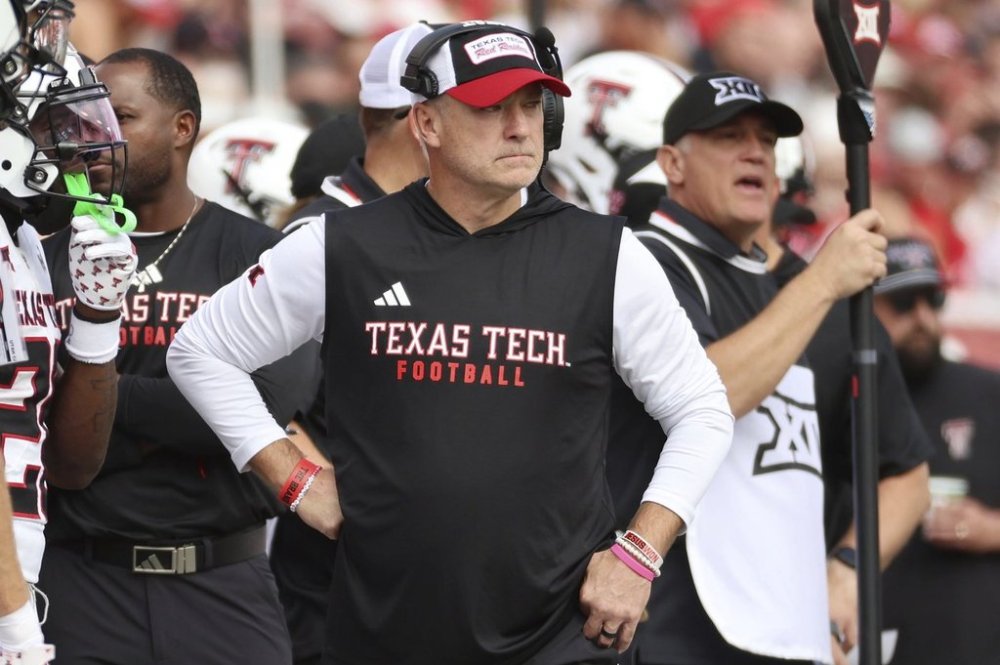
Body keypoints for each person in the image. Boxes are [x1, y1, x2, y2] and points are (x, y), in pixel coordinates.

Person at [168, 20, 735, 665]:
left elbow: (702, 410)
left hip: (562, 635)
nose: (520, 127)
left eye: (531, 105)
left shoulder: (607, 254)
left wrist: (640, 553)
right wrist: (292, 476)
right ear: (427, 124)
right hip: (383, 627)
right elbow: (199, 351)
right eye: (490, 108)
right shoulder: (341, 244)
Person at [37, 48, 315, 665]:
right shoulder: (45, 256)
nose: (96, 138)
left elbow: (262, 409)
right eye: (85, 121)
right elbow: (37, 427)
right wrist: (203, 392)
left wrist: (95, 396)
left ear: (183, 128)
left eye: (121, 117)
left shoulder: (258, 252)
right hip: (80, 580)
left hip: (223, 583)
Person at [605, 71, 887, 665]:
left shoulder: (777, 282)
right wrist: (823, 281)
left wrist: (847, 566)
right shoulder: (645, 258)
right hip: (679, 615)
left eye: (766, 139)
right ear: (672, 163)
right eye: (729, 135)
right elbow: (709, 392)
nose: (755, 151)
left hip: (783, 619)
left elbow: (898, 465)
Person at [266, 22, 433, 665]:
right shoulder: (319, 236)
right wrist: (317, 487)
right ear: (422, 119)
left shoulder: (455, 225)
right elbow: (243, 382)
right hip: (340, 580)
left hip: (447, 575)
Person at [0, 5, 137, 662]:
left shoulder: (22, 237)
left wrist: (96, 315)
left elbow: (70, 462)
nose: (74, 150)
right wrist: (17, 628)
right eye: (47, 123)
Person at [875, 237, 1000, 665]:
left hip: (975, 640)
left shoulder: (988, 393)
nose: (924, 318)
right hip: (870, 637)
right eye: (904, 304)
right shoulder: (843, 400)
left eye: (933, 301)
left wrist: (991, 529)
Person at [280, 21, 433, 235]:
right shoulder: (322, 237)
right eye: (482, 110)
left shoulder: (433, 217)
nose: (497, 130)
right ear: (422, 121)